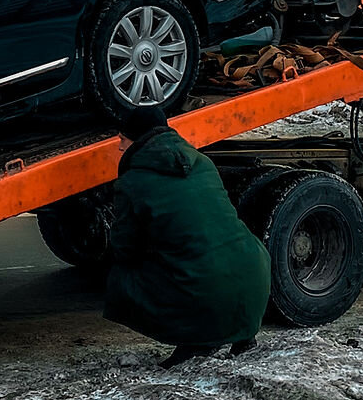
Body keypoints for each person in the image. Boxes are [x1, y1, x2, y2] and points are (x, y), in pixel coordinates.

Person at [103, 105, 272, 368]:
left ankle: (196, 339)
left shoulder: (132, 182)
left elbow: (124, 247)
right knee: (212, 253)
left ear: (136, 140)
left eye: (122, 140)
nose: (119, 147)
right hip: (255, 272)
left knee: (123, 277)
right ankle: (242, 336)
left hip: (206, 288)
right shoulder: (202, 162)